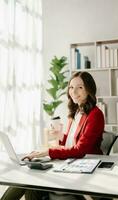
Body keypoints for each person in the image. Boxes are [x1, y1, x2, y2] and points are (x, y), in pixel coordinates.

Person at [1, 71, 104, 200]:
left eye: (80, 87)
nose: (74, 91)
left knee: (31, 180)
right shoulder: (76, 111)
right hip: (70, 161)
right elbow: (72, 141)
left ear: (89, 89)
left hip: (82, 165)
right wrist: (60, 135)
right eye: (71, 87)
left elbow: (80, 150)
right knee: (30, 178)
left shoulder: (95, 114)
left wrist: (47, 152)